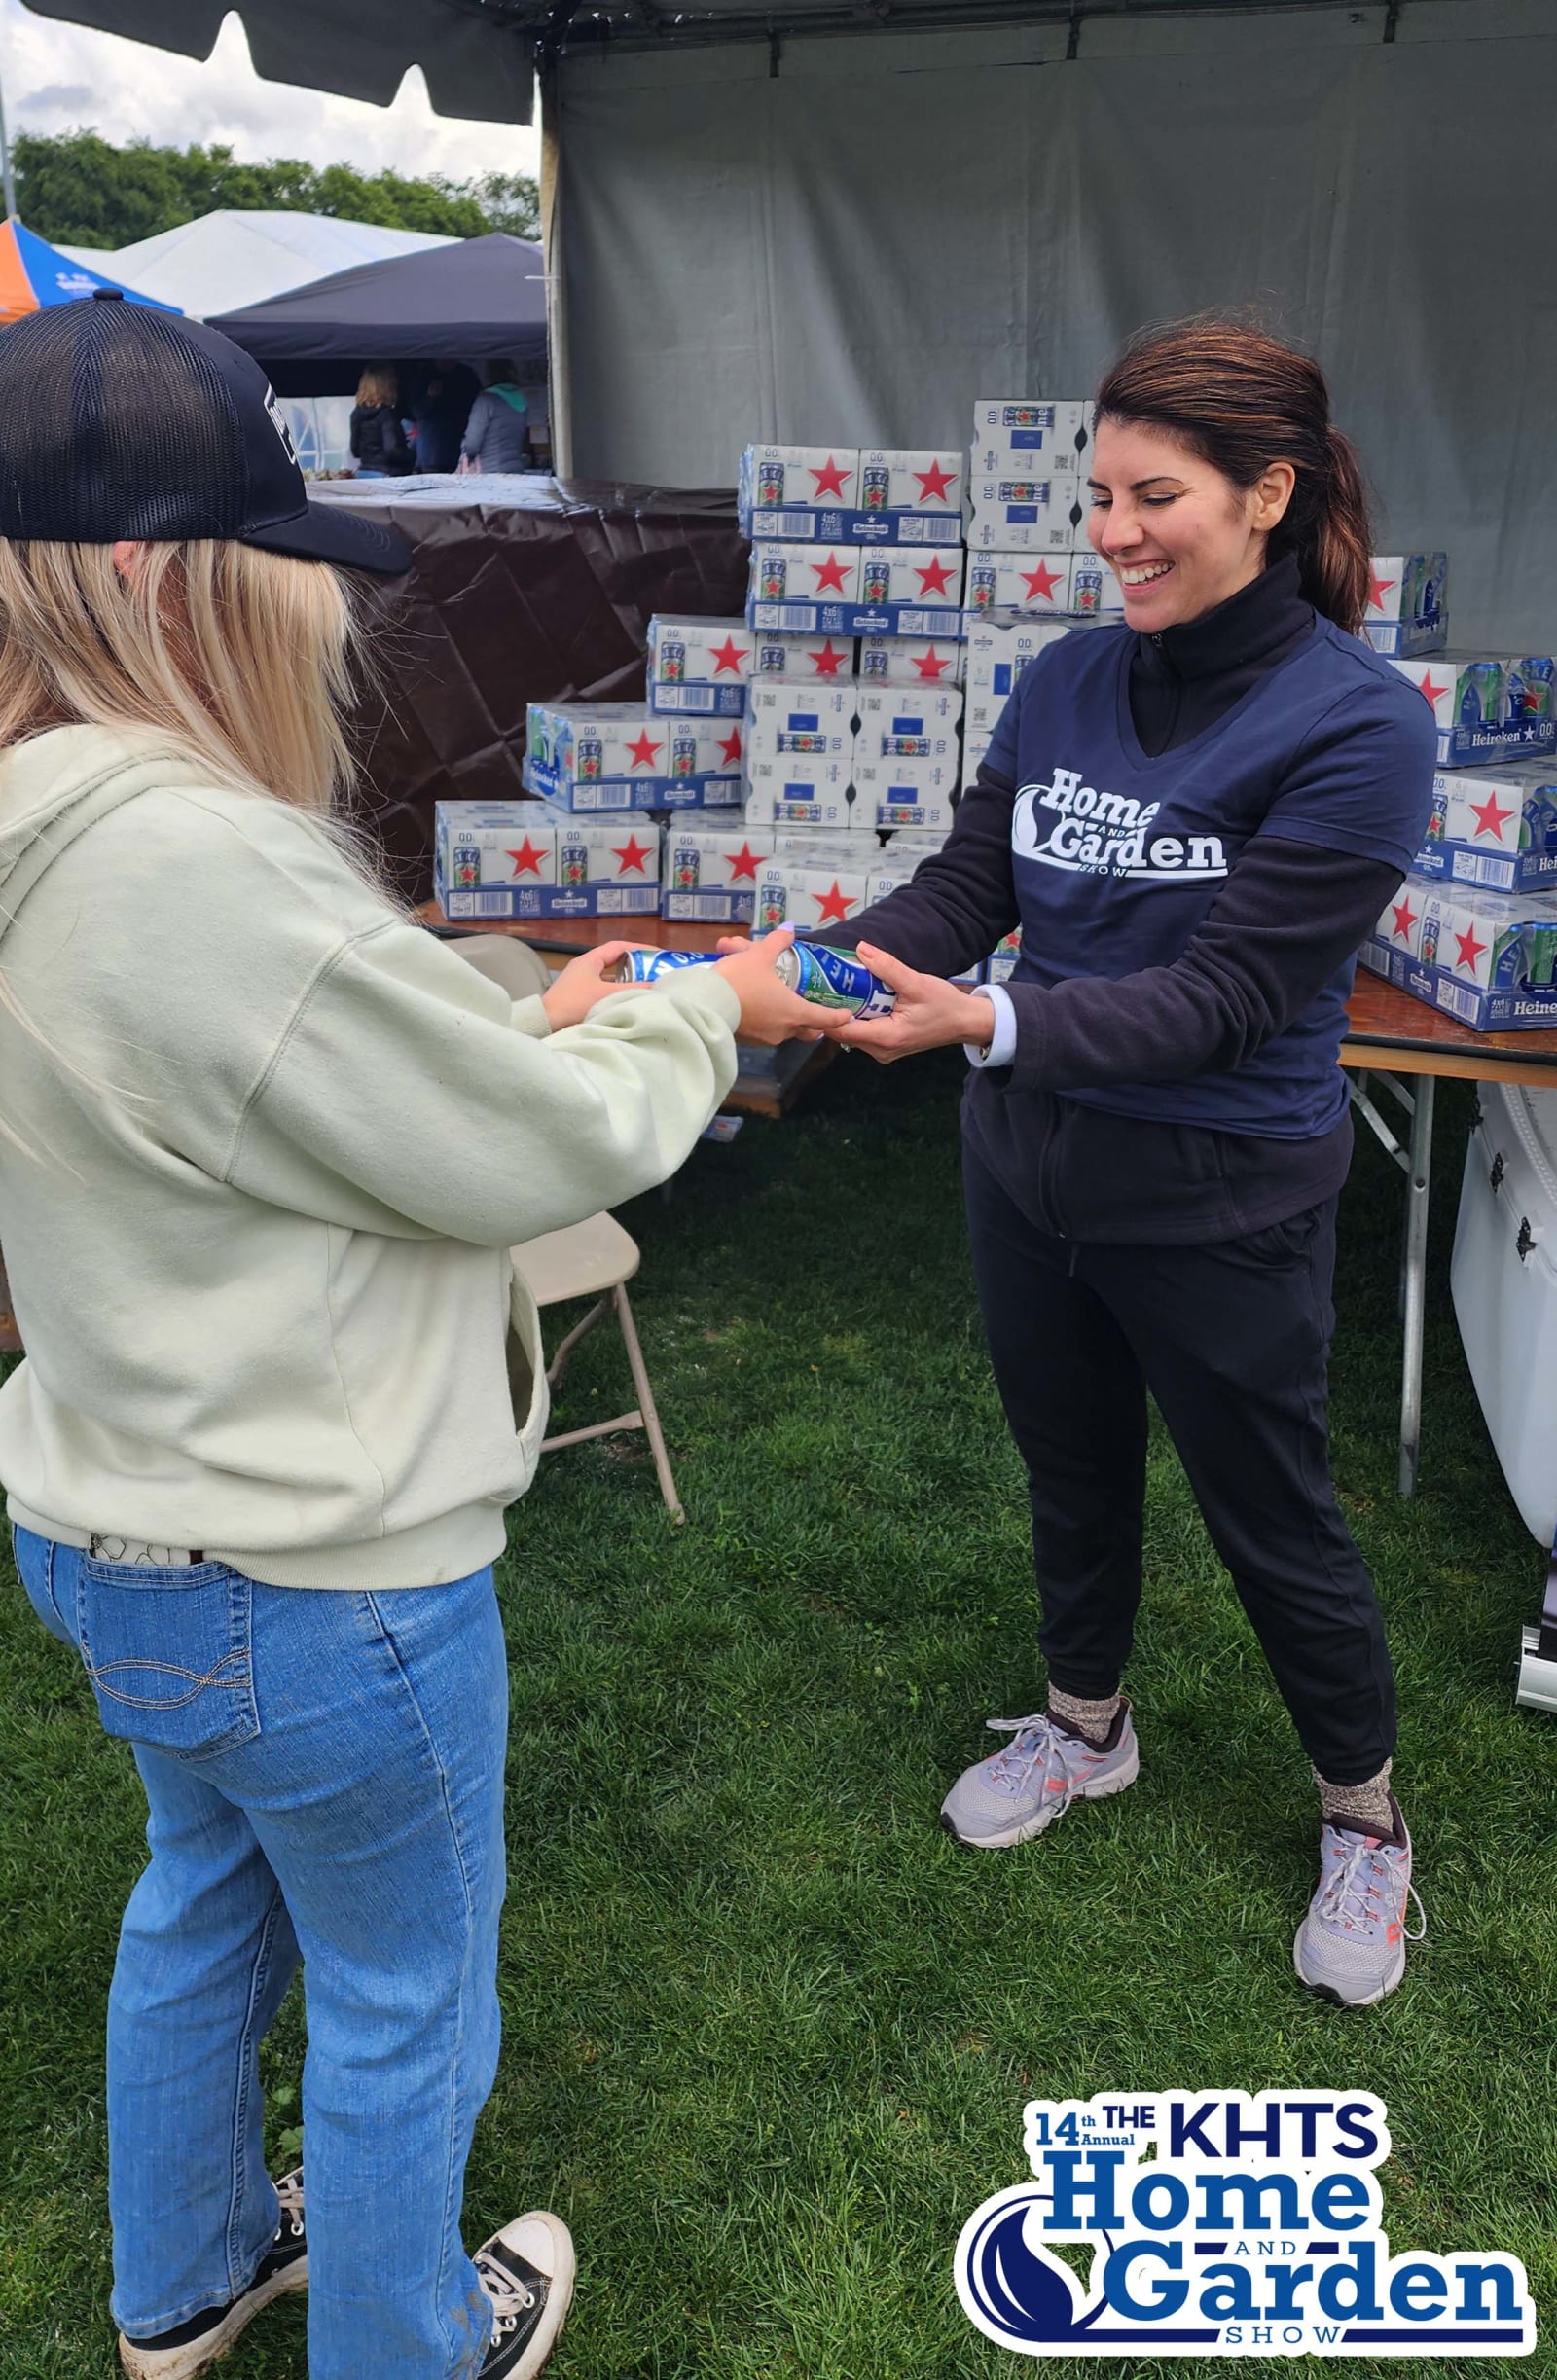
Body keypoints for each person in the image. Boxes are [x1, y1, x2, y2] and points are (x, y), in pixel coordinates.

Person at [0, 291, 822, 2380]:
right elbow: (536, 1151)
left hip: (112, 1519)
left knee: (199, 1895)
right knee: (400, 1994)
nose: (316, 615)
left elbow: (253, 1072)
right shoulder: (183, 850)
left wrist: (505, 1008)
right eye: (280, 563)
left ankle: (187, 2278)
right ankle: (408, 2340)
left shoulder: (43, 819)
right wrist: (704, 1009)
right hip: (315, 1567)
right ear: (150, 575)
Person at [816, 319, 1436, 2007]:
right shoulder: (1068, 677)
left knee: (1275, 1518)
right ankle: (1086, 1726)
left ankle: (1365, 1819)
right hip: (1031, 1172)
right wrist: (820, 966)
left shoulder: (1363, 725)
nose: (1112, 532)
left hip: (1220, 1195)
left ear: (1267, 494)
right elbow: (969, 886)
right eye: (1097, 497)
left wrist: (987, 1023)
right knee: (1071, 1468)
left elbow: (1228, 998)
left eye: (1153, 496)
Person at [460, 361, 534, 476]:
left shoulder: (485, 400)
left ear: (488, 376)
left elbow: (472, 443)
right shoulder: (521, 398)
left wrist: (465, 453)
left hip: (490, 472)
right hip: (516, 468)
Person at [412, 360, 479, 473]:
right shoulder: (425, 374)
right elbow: (416, 412)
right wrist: (430, 397)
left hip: (457, 446)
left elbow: (476, 406)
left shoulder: (465, 374)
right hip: (432, 450)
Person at [349, 362, 413, 477]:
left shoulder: (356, 413)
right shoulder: (387, 415)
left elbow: (355, 450)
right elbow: (392, 450)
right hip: (386, 473)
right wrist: (411, 454)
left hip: (363, 472)